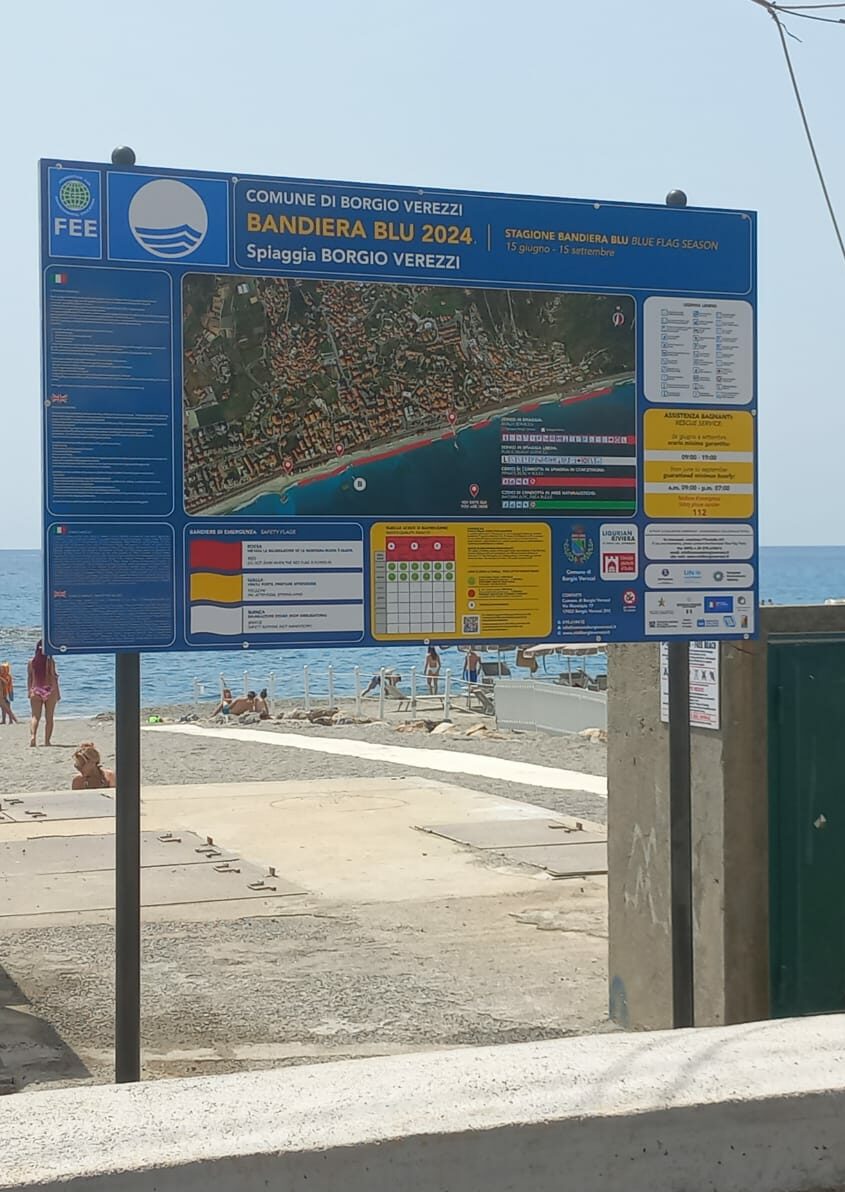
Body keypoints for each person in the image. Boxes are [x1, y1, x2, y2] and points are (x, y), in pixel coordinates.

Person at [27, 640, 60, 747]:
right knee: (49, 718)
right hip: (49, 690)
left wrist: (29, 691)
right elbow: (54, 677)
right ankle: (47, 741)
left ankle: (33, 737)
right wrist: (58, 692)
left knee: (35, 716)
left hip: (36, 689)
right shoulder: (50, 661)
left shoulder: (31, 662)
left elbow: (30, 678)